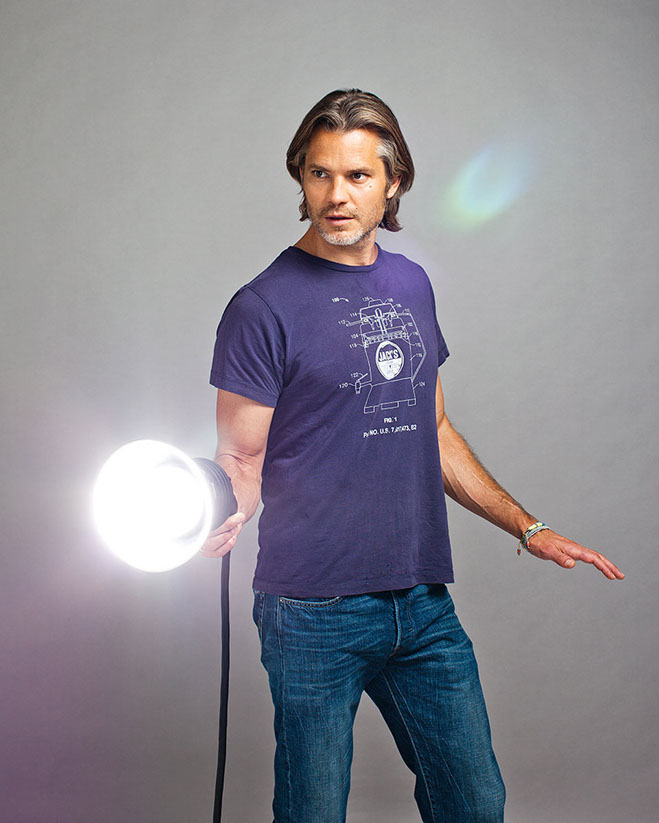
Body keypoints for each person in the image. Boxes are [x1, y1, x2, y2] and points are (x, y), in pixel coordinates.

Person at [201, 89, 624, 823]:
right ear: (301, 177)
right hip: (312, 610)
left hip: (421, 601)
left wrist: (527, 527)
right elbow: (241, 458)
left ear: (393, 183)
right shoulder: (261, 307)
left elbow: (434, 427)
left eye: (357, 175)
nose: (336, 195)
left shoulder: (411, 284)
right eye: (320, 173)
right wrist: (223, 513)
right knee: (311, 811)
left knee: (474, 803)